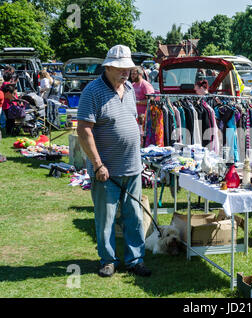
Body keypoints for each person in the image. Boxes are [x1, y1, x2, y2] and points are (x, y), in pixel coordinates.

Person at [77, 44, 151, 278]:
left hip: (132, 167)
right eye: (120, 68)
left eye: (128, 67)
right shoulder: (92, 91)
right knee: (106, 218)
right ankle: (108, 260)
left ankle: (135, 260)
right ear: (107, 67)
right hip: (105, 170)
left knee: (134, 216)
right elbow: (84, 130)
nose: (125, 72)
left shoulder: (129, 88)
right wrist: (98, 164)